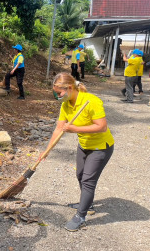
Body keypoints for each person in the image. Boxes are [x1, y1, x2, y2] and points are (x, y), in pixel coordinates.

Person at [41, 72, 114, 231]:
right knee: (80, 175)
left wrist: (74, 128)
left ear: (68, 88)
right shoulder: (65, 105)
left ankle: (81, 215)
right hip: (84, 145)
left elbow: (102, 127)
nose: (57, 96)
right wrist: (46, 151)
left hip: (101, 147)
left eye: (59, 93)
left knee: (88, 180)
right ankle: (87, 204)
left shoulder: (91, 101)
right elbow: (59, 129)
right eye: (56, 93)